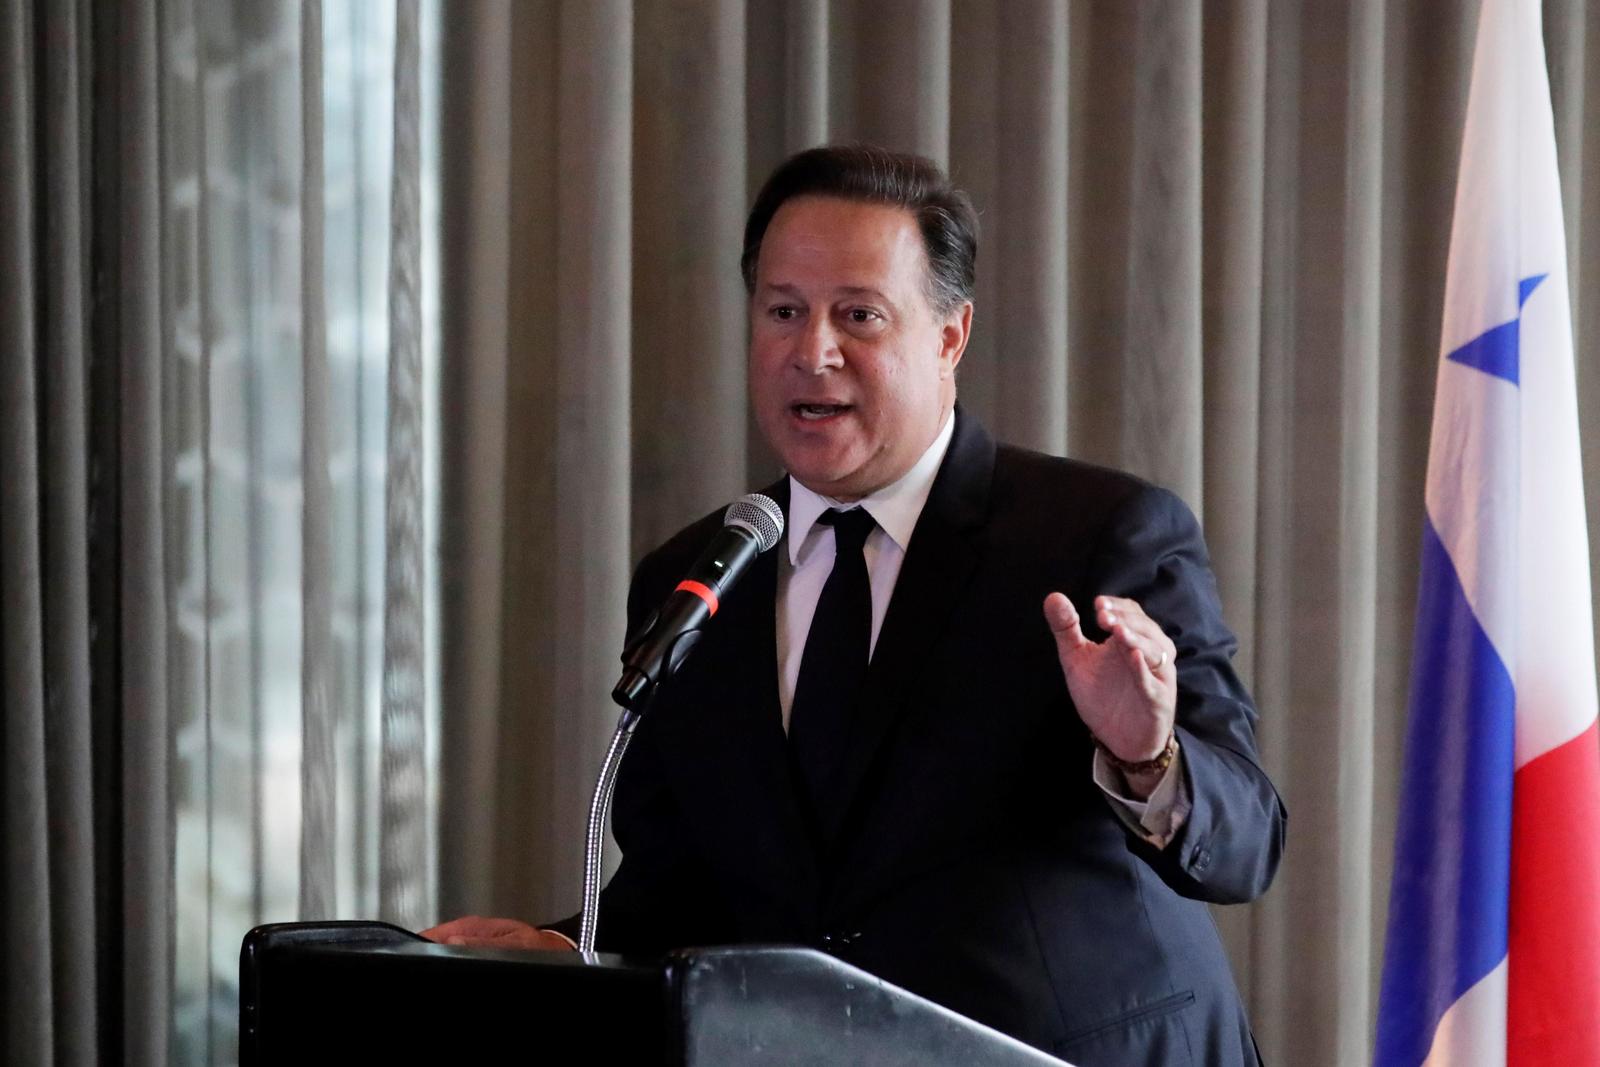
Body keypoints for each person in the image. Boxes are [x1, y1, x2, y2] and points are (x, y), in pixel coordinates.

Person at [425, 144, 1286, 1066]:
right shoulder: (700, 574)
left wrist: (1147, 755)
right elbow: (688, 888)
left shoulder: (1095, 536)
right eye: (783, 311)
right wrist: (563, 950)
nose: (813, 352)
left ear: (950, 335)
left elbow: (1247, 842)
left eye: (858, 315)